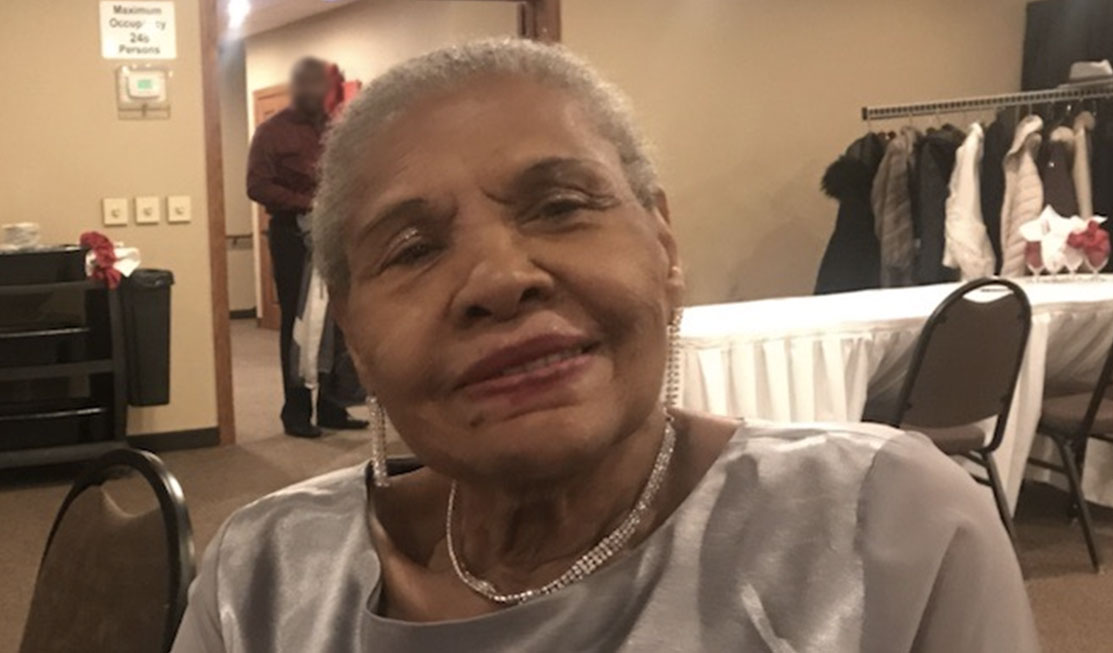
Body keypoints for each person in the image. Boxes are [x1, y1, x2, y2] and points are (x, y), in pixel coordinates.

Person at [174, 39, 1039, 651]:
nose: (498, 278)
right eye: (411, 249)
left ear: (663, 244)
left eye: (559, 206)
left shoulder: (881, 529)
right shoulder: (265, 576)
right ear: (353, 336)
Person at [247, 56, 367, 437]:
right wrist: (307, 204)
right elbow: (257, 185)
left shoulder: (337, 129)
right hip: (292, 236)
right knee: (299, 320)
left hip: (335, 231)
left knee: (339, 316)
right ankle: (296, 412)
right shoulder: (272, 132)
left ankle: (332, 406)